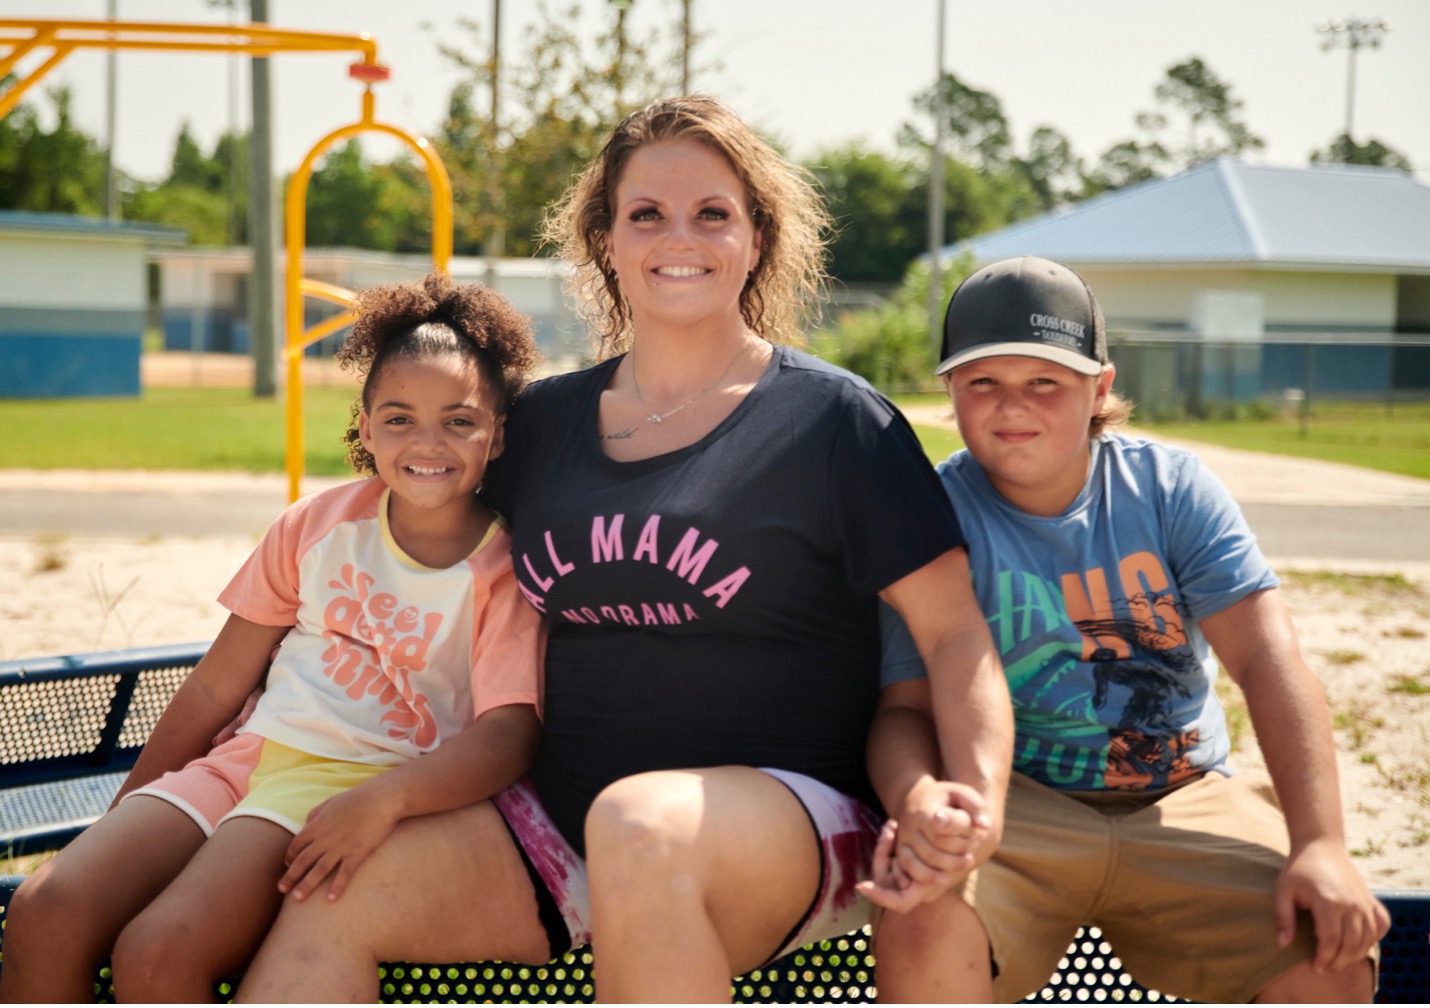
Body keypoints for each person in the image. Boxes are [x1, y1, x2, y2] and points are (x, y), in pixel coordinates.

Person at [233, 94, 1011, 1004]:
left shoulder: (834, 422)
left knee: (640, 823)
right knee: (330, 894)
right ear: (607, 240)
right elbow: (404, 531)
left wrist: (977, 798)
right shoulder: (544, 424)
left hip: (794, 821)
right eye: (646, 214)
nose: (678, 236)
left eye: (712, 213)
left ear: (755, 238)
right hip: (557, 822)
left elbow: (954, 635)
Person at [0, 273, 544, 1003]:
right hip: (243, 761)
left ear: (498, 433)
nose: (427, 442)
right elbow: (215, 686)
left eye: (459, 421)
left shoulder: (506, 568)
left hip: (344, 787)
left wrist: (385, 803)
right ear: (365, 423)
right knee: (44, 911)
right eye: (399, 417)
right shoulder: (316, 526)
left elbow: (508, 734)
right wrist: (131, 807)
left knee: (156, 957)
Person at [873, 256, 1391, 1002]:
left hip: (1183, 791)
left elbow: (1269, 660)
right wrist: (918, 795)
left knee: (1329, 941)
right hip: (1017, 805)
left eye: (1044, 382)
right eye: (983, 381)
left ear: (1099, 388)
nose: (1012, 405)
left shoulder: (1170, 490)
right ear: (948, 389)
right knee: (919, 917)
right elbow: (903, 708)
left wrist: (1322, 845)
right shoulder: (930, 513)